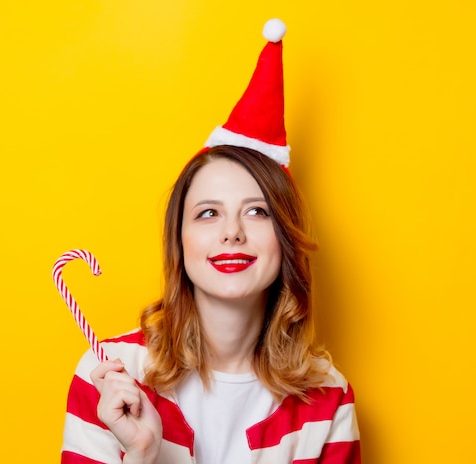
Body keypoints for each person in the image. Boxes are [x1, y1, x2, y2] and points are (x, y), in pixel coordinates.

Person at [61, 19, 360, 464]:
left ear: (285, 237)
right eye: (208, 213)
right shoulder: (108, 375)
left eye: (257, 211)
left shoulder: (328, 397)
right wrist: (142, 452)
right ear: (179, 243)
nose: (232, 231)